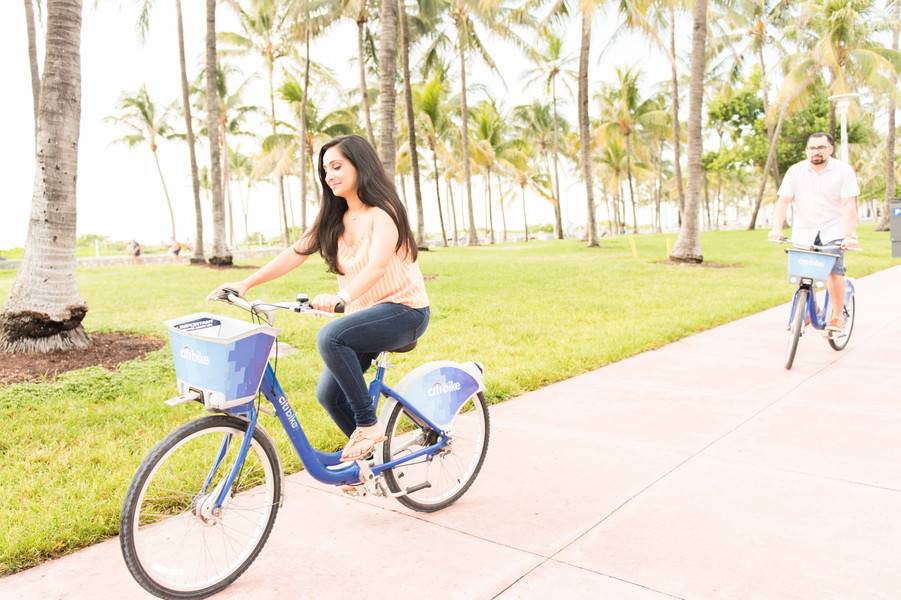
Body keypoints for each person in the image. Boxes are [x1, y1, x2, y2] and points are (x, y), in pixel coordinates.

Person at [210, 135, 430, 462]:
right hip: (366, 315)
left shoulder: (382, 213)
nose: (329, 175)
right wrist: (245, 284)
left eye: (337, 166)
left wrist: (342, 296)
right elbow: (295, 253)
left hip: (404, 311)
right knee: (329, 396)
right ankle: (369, 461)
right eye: (325, 170)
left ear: (361, 165)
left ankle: (368, 426)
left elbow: (377, 266)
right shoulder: (333, 218)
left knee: (330, 335)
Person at [768, 132, 860, 331]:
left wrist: (850, 236)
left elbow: (848, 204)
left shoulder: (843, 171)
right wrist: (776, 229)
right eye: (811, 148)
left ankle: (837, 317)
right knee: (802, 272)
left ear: (830, 149)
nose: (815, 152)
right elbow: (783, 201)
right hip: (804, 229)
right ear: (806, 151)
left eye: (820, 147)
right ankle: (810, 309)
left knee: (833, 271)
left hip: (834, 228)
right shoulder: (795, 171)